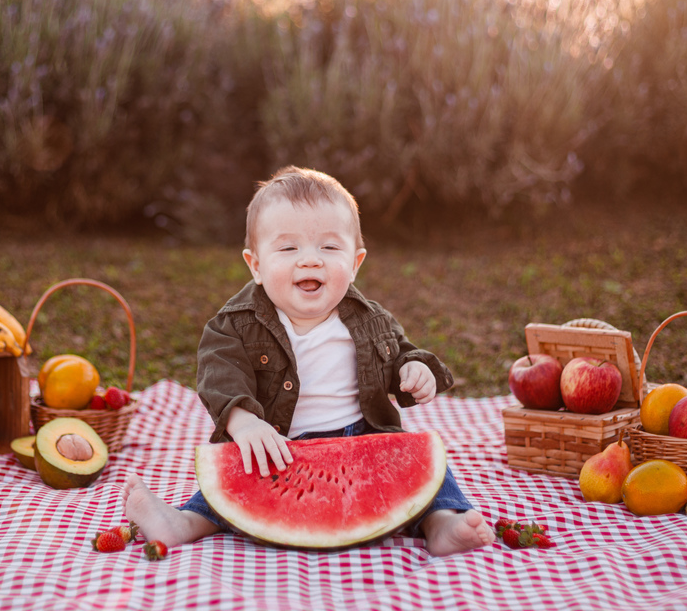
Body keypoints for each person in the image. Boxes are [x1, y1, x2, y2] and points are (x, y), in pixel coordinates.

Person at [123, 166, 494, 556]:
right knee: (236, 479)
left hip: (363, 438)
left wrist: (413, 367)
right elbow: (220, 374)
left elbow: (400, 351)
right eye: (288, 248)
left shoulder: (372, 319)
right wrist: (244, 422)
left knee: (428, 466)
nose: (311, 260)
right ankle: (182, 522)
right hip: (277, 442)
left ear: (355, 263)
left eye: (329, 248)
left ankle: (442, 524)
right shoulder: (234, 326)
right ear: (256, 265)